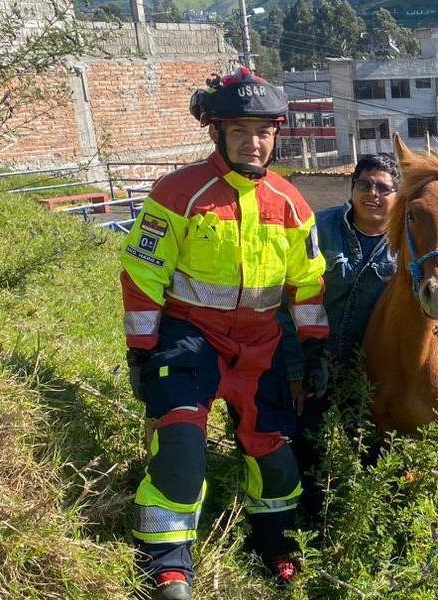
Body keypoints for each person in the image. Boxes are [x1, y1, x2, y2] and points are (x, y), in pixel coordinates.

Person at [120, 68, 327, 600]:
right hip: (190, 338)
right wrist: (140, 352)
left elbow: (307, 285)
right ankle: (167, 565)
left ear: (276, 135)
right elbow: (142, 274)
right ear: (216, 133)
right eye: (240, 131)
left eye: (263, 132)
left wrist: (314, 348)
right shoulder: (178, 192)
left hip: (261, 348)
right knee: (181, 450)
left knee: (276, 460)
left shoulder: (292, 203)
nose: (253, 142)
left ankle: (272, 546)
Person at [279, 153, 400, 522]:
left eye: (383, 188)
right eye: (364, 184)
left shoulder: (408, 238)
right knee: (305, 444)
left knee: (373, 452)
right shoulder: (320, 228)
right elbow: (288, 298)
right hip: (315, 359)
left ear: (397, 196)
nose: (373, 194)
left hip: (368, 372)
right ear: (352, 188)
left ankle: (369, 522)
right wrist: (296, 369)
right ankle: (309, 522)